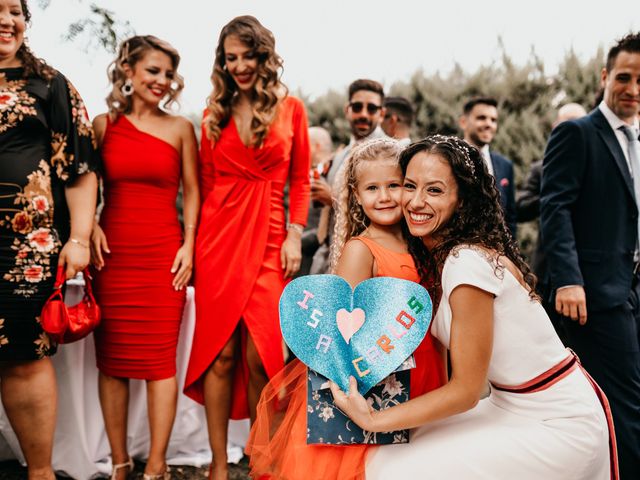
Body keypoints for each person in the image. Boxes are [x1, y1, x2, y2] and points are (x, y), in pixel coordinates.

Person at [329, 135, 616, 479]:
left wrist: (372, 418)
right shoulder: (443, 254)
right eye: (409, 186)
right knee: (395, 454)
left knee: (396, 470)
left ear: (462, 200)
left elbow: (466, 390)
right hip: (508, 403)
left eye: (434, 190)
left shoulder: (467, 263)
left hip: (556, 419)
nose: (415, 202)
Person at [246, 138, 447, 480]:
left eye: (394, 186)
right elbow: (345, 331)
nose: (384, 196)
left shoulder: (422, 242)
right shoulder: (361, 249)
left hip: (426, 367)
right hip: (384, 377)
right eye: (372, 188)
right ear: (356, 195)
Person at [183, 16, 310, 480]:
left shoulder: (292, 108)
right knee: (220, 355)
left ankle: (265, 463)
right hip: (218, 239)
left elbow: (299, 181)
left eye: (247, 56)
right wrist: (193, 245)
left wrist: (295, 232)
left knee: (263, 355)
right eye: (230, 58)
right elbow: (207, 182)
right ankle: (218, 465)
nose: (239, 66)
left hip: (272, 237)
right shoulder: (212, 114)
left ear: (264, 56)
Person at [90, 35, 199, 480]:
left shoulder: (180, 129)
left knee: (159, 362)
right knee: (111, 361)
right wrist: (89, 224)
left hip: (162, 256)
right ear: (129, 71)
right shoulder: (102, 124)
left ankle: (156, 463)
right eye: (153, 70)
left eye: (168, 74)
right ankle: (119, 461)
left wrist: (189, 244)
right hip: (112, 254)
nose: (161, 81)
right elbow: (86, 185)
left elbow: (192, 192)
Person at [0, 0, 98, 477]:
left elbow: (80, 171)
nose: (6, 20)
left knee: (24, 355)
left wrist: (78, 237)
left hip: (25, 252)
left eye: (14, 11)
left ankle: (39, 472)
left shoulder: (50, 85)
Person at [540, 32, 640, 478]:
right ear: (604, 77)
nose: (633, 88)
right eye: (624, 77)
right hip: (592, 295)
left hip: (631, 287)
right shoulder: (576, 133)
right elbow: (555, 207)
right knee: (626, 402)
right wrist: (567, 279)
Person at [516, 102, 587, 333]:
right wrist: (551, 197)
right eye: (567, 124)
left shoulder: (595, 167)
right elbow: (521, 206)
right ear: (556, 127)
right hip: (547, 269)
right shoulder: (541, 168)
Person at [310, 79, 387, 274]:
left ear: (382, 113)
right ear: (347, 110)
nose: (363, 114)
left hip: (366, 262)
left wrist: (333, 198)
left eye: (371, 108)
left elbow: (386, 207)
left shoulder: (387, 153)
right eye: (357, 107)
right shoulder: (341, 154)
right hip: (328, 255)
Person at [459, 97, 517, 236]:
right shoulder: (448, 159)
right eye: (481, 118)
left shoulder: (505, 165)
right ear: (463, 122)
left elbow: (510, 218)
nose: (489, 124)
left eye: (493, 120)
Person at [296, 126, 333, 277]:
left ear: (316, 146)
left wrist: (296, 238)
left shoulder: (328, 174)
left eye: (304, 144)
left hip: (317, 259)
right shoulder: (311, 173)